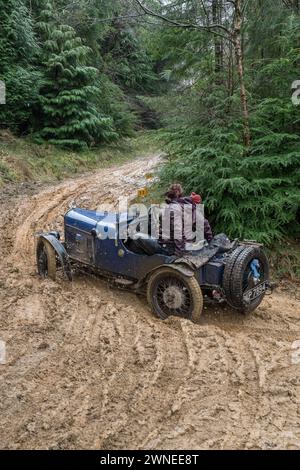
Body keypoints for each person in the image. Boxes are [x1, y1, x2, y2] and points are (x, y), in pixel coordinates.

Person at [159, 184, 213, 256]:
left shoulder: (169, 208)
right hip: (185, 245)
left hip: (170, 245)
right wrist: (211, 242)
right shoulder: (190, 207)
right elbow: (204, 224)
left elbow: (177, 232)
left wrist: (180, 252)